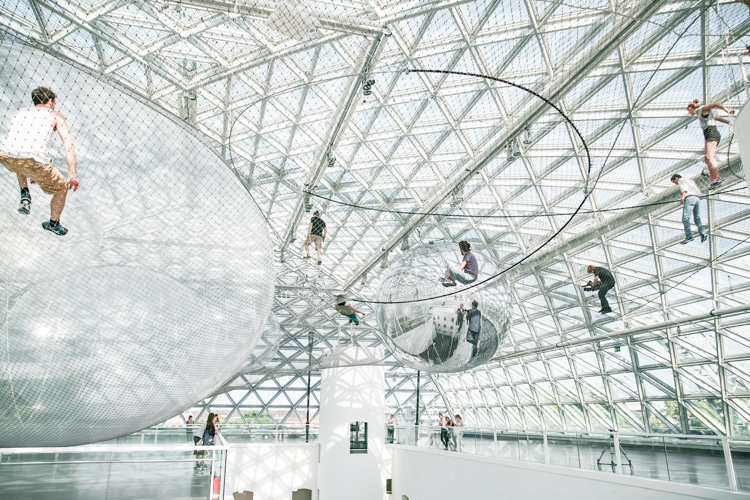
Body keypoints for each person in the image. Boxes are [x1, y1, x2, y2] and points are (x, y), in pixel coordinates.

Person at [0, 87, 79, 235]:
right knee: (62, 187)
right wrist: (72, 175)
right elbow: (68, 146)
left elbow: (22, 144)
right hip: (32, 162)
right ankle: (53, 223)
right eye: (54, 103)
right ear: (50, 101)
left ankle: (25, 193)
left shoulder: (20, 113)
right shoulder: (55, 115)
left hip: (5, 155)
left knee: (20, 158)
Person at [686, 99, 734, 189]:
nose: (689, 113)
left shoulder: (702, 109)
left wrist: (727, 111)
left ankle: (717, 178)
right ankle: (714, 179)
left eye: (688, 111)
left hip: (712, 133)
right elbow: (717, 118)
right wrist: (729, 122)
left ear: (690, 108)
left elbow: (717, 104)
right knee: (707, 158)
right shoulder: (701, 114)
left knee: (710, 156)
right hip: (708, 135)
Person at [671, 173, 707, 244]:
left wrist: (683, 197)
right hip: (697, 198)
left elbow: (685, 188)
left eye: (674, 182)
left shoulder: (681, 180)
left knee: (685, 218)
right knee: (697, 218)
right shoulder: (690, 181)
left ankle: (689, 236)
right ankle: (702, 233)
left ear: (676, 178)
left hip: (690, 198)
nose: (675, 184)